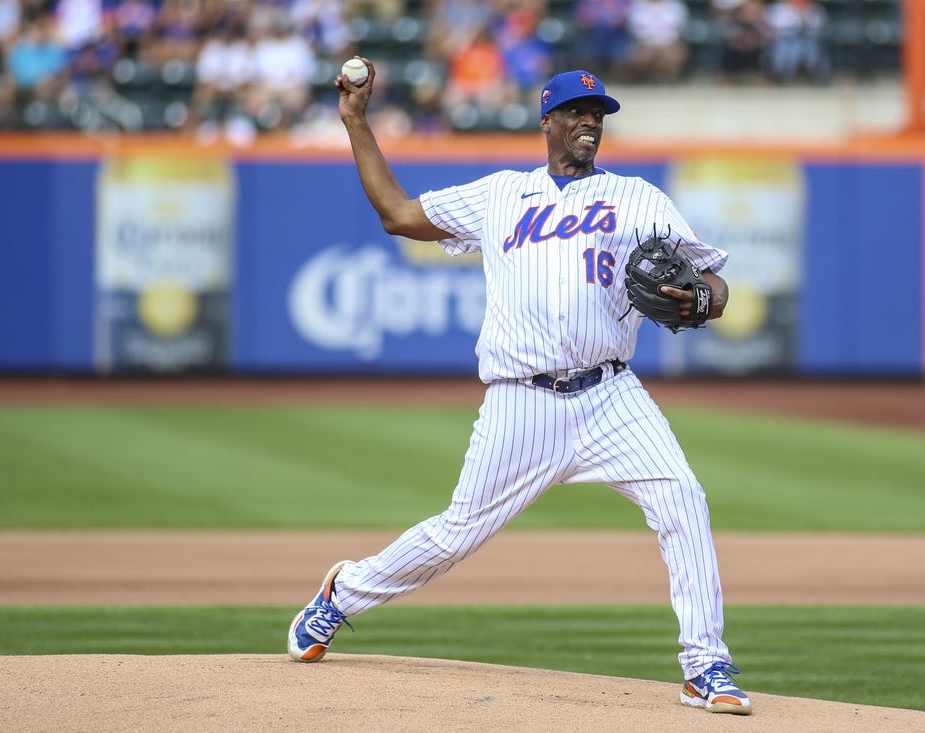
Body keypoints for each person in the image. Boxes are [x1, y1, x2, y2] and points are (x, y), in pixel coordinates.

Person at [286, 61, 752, 716]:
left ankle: (704, 662)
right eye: (579, 113)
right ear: (549, 121)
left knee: (683, 499)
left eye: (600, 115)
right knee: (456, 534)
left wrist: (704, 296)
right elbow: (397, 214)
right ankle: (342, 592)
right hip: (521, 401)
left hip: (612, 396)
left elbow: (716, 284)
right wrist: (356, 122)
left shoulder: (639, 199)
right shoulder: (502, 195)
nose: (591, 123)